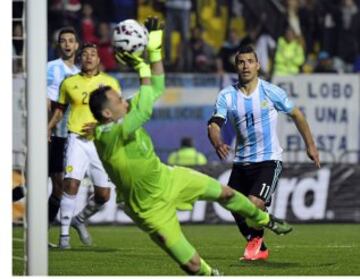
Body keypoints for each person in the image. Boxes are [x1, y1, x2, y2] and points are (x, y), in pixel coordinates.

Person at [87, 17, 292, 276]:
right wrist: (140, 65)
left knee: (227, 194)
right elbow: (145, 108)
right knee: (192, 265)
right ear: (107, 113)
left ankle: (266, 220)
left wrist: (154, 46)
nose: (123, 100)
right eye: (118, 99)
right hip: (149, 209)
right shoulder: (108, 135)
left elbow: (157, 86)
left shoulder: (121, 116)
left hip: (169, 178)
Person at [207, 44, 320, 261]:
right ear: (236, 66)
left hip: (268, 161)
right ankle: (257, 240)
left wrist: (310, 145)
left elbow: (298, 115)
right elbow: (214, 123)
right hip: (241, 162)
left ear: (258, 65)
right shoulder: (227, 96)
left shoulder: (271, 92)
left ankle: (261, 228)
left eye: (250, 61)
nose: (245, 65)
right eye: (241, 62)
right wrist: (217, 142)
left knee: (252, 204)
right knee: (230, 203)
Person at [47, 42, 121, 249]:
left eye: (93, 54)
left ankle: (79, 220)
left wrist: (103, 127)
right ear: (80, 59)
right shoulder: (69, 83)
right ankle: (64, 238)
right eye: (85, 54)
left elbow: (117, 112)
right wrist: (49, 127)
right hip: (76, 139)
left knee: (103, 195)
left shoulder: (110, 83)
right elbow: (59, 110)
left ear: (99, 60)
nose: (89, 57)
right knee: (70, 184)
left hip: (100, 142)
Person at [47, 27, 80, 239]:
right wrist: (45, 127)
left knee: (59, 186)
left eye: (71, 40)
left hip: (67, 137)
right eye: (63, 40)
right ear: (58, 45)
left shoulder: (79, 74)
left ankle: (42, 231)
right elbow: (46, 101)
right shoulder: (51, 68)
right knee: (34, 181)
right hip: (50, 134)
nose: (67, 44)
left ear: (76, 45)